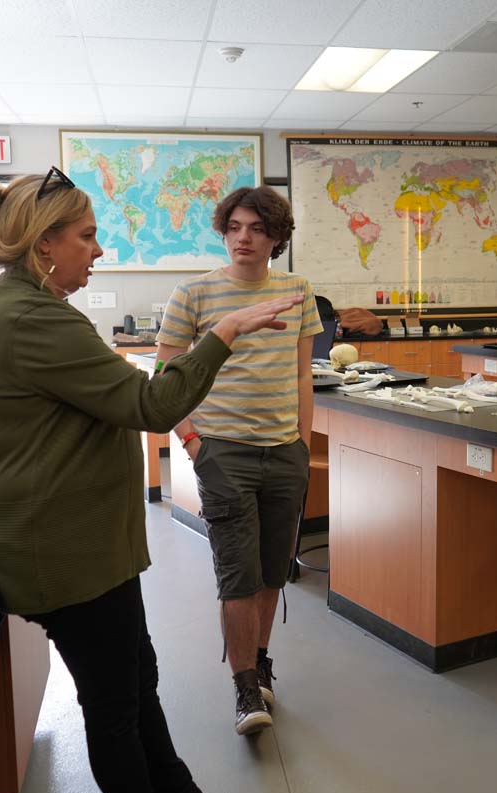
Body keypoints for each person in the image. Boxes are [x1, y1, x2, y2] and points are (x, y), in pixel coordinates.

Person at [0, 168, 302, 793]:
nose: (98, 251)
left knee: (136, 683)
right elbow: (153, 404)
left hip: (83, 548)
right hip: (65, 550)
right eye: (87, 237)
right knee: (118, 706)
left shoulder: (22, 306)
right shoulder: (31, 319)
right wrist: (224, 332)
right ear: (43, 245)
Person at [155, 185, 322, 737]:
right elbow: (166, 375)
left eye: (255, 228)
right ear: (223, 232)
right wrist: (193, 440)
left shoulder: (297, 289)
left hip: (285, 451)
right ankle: (245, 684)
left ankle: (262, 659)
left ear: (276, 237)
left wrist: (303, 437)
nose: (243, 238)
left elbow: (303, 371)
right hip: (222, 451)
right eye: (234, 227)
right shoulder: (195, 293)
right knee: (237, 574)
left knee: (274, 570)